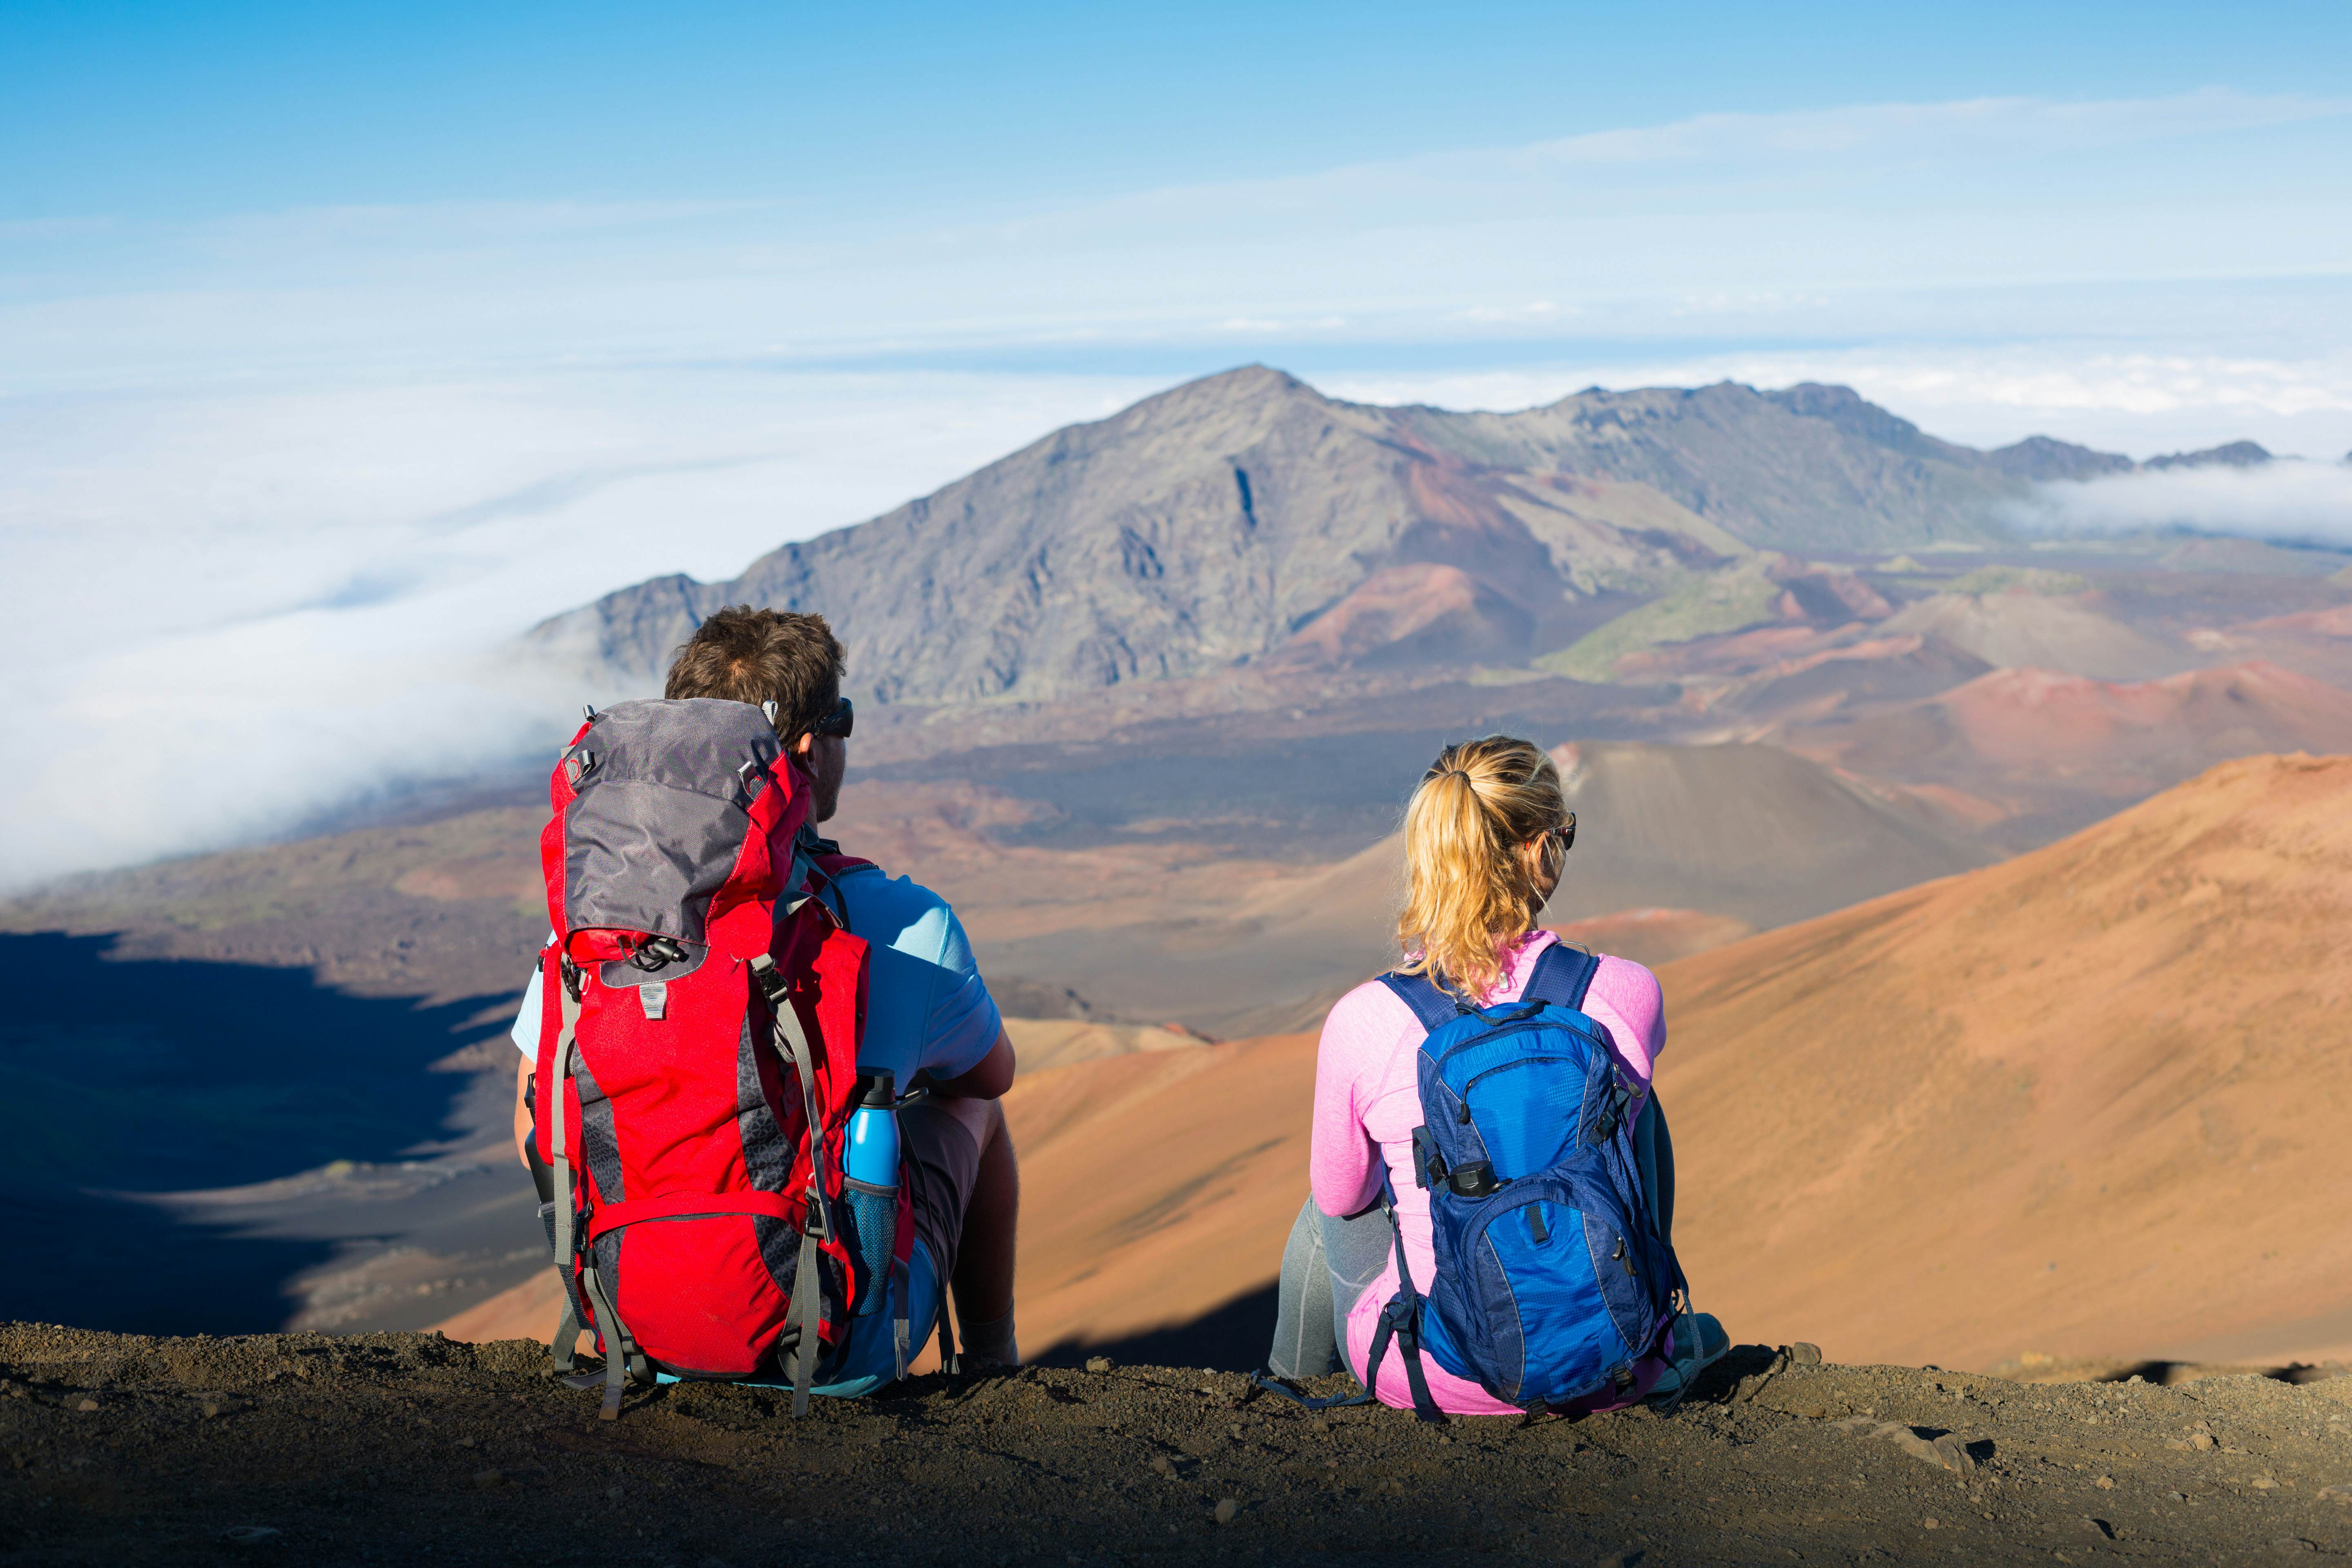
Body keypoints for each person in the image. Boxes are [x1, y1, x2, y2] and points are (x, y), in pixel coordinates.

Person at [507, 605, 1023, 1376]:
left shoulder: (597, 927)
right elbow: (990, 1074)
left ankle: (663, 1305)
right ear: (811, 748)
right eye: (839, 721)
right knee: (976, 1112)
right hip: (832, 1345)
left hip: (637, 1327)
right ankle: (993, 1360)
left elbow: (535, 1109)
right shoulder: (910, 923)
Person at [1264, 734, 1680, 1415]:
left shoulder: (1365, 1020)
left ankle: (1287, 1387)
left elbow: (1343, 1200)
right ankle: (1646, 1316)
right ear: (1536, 849)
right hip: (1610, 1374)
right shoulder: (1628, 992)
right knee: (1634, 1104)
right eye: (1565, 834)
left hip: (1436, 1375)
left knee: (1331, 1197)